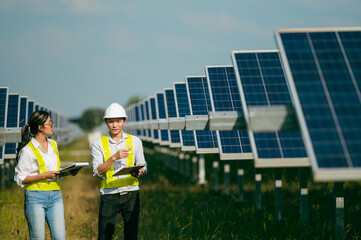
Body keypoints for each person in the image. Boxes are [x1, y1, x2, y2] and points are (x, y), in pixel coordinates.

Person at [91, 103, 147, 240]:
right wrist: (114, 157)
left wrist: (141, 171)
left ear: (124, 121)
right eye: (111, 122)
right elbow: (98, 171)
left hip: (131, 193)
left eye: (118, 121)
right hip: (109, 195)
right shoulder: (98, 143)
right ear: (106, 122)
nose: (115, 125)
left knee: (131, 235)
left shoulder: (135, 141)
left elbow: (143, 165)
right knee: (104, 236)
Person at [14, 110, 68, 240]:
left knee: (60, 237)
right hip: (35, 198)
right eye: (50, 123)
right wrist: (44, 176)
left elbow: (53, 168)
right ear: (40, 127)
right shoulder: (27, 151)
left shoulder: (53, 144)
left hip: (56, 196)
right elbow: (20, 178)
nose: (52, 125)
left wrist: (65, 172)